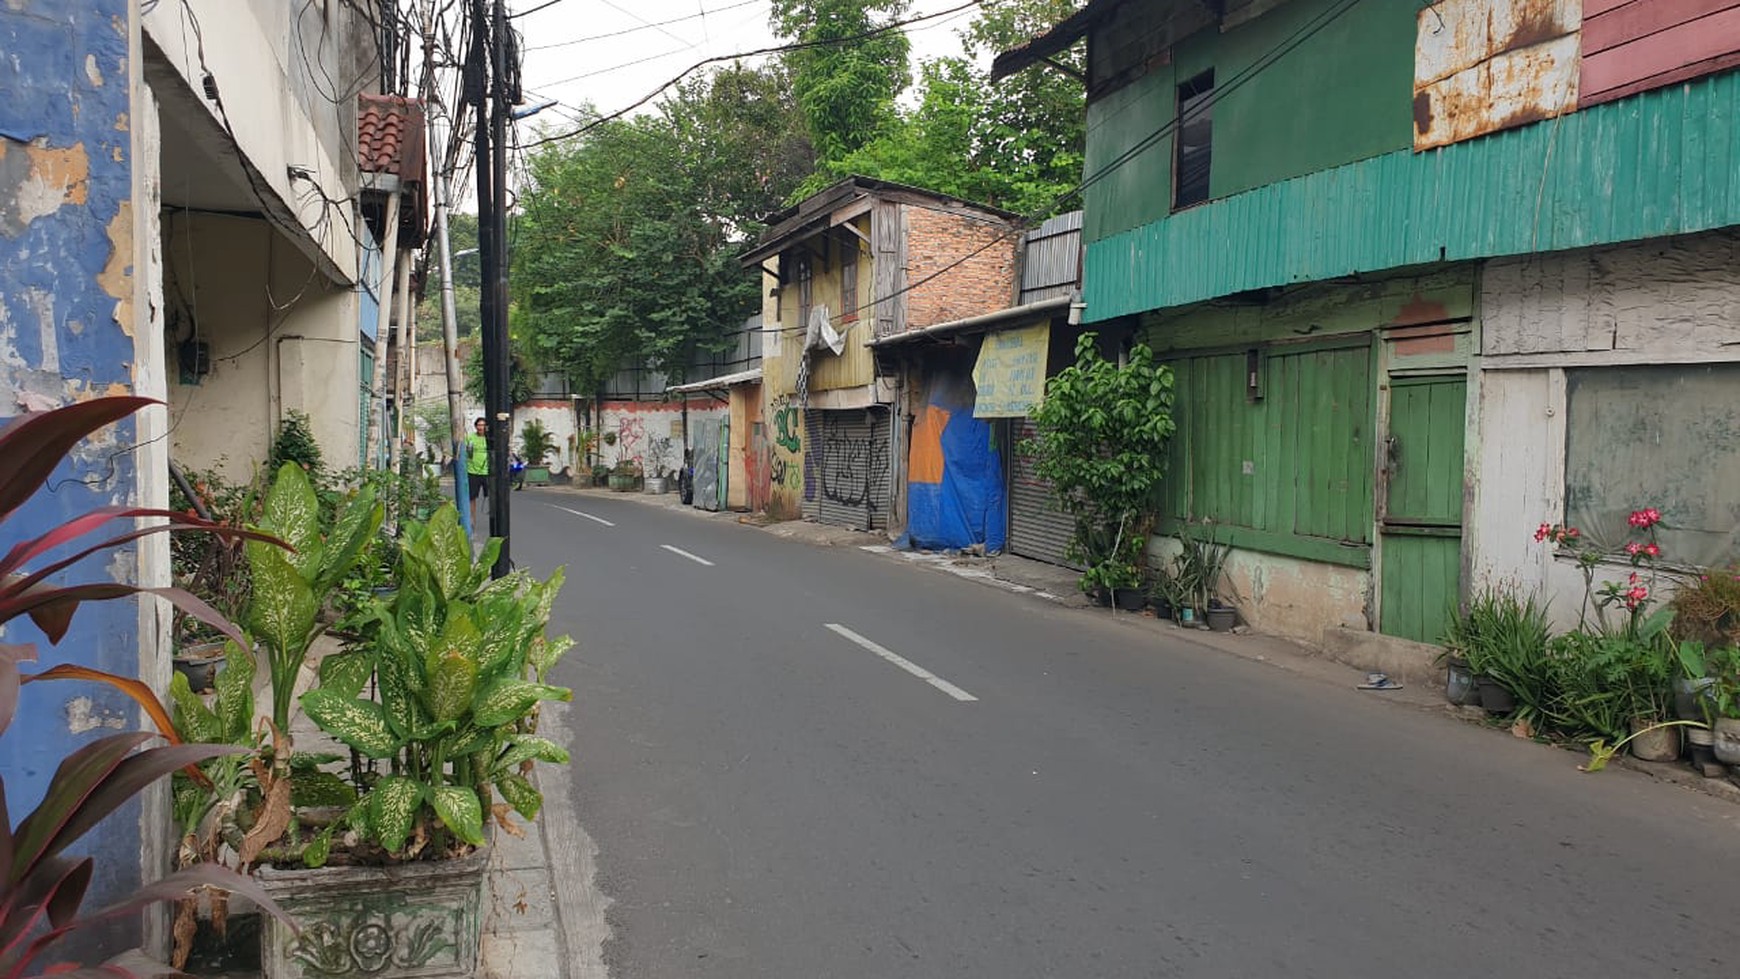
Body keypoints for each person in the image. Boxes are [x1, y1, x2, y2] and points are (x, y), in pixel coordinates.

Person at [465, 416, 489, 530]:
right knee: (472, 497)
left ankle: (493, 519)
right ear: (476, 426)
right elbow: (464, 452)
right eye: (479, 425)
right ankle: (472, 520)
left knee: (490, 497)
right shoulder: (470, 438)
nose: (481, 427)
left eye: (483, 425)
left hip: (487, 472)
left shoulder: (489, 439)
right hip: (472, 471)